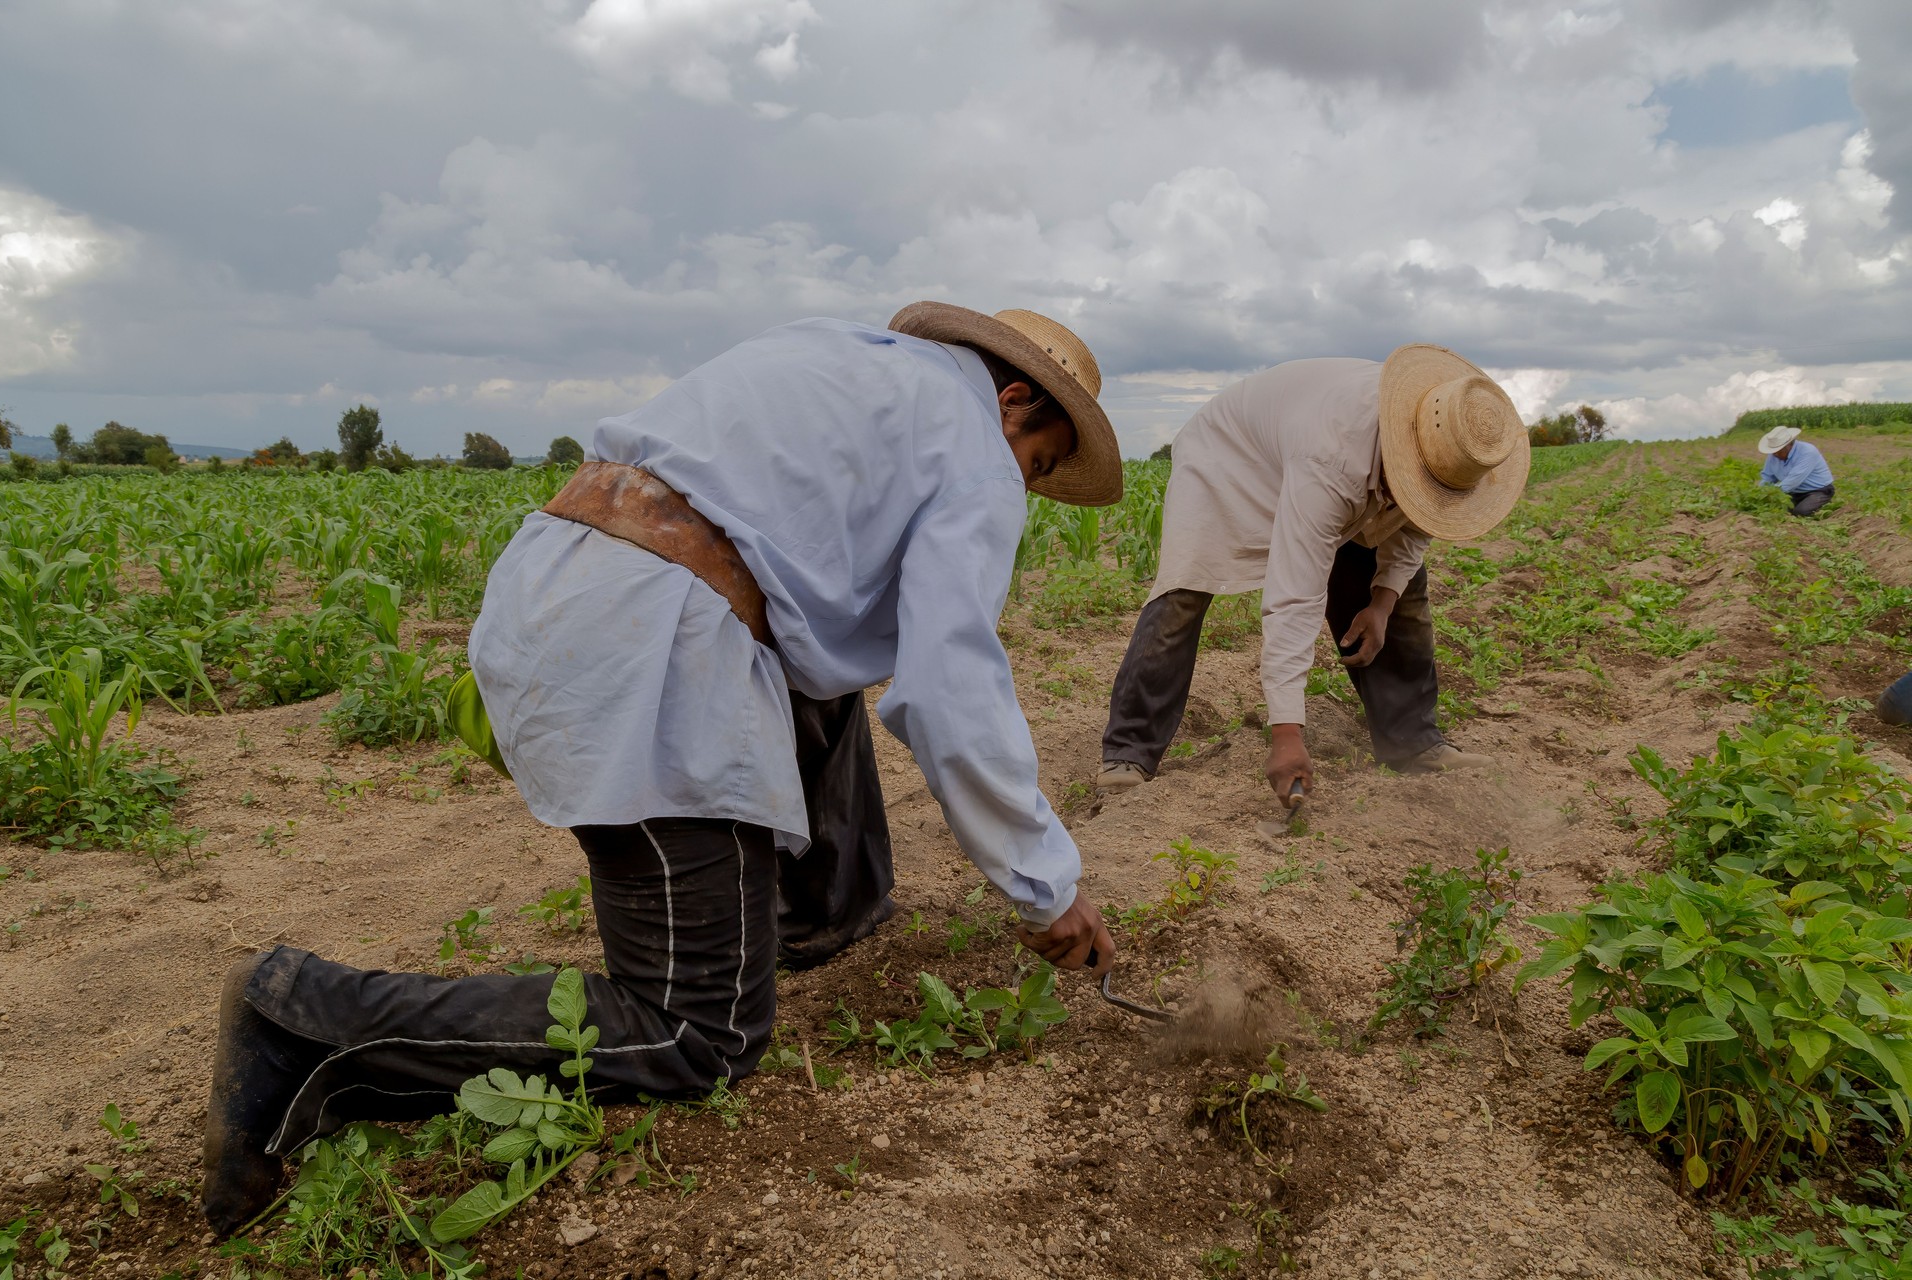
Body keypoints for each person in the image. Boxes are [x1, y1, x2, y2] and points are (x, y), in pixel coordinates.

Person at [201, 304, 1124, 1234]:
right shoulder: (974, 448)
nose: (1027, 484)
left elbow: (824, 628)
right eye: (1039, 464)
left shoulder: (844, 359)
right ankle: (302, 1019)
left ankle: (814, 918)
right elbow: (949, 689)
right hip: (651, 645)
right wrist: (1047, 886)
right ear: (1013, 403)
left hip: (564, 586)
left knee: (822, 673)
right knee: (698, 1033)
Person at [1097, 345, 1528, 802]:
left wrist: (1382, 603)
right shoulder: (1334, 456)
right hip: (1226, 456)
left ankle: (1413, 742)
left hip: (1316, 454)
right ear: (1401, 454)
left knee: (1401, 591)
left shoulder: (1446, 435)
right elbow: (1295, 594)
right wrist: (1286, 733)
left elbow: (1418, 523)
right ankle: (1129, 750)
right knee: (1183, 592)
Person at [1757, 425, 1835, 516]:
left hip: (1818, 490)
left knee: (1801, 512)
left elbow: (1792, 481)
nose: (1776, 454)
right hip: (1793, 492)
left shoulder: (1807, 452)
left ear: (1789, 445)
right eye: (1774, 451)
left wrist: (1770, 493)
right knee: (1776, 509)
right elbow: (1767, 478)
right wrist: (1760, 493)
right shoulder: (1773, 456)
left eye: (1779, 450)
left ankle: (1824, 503)